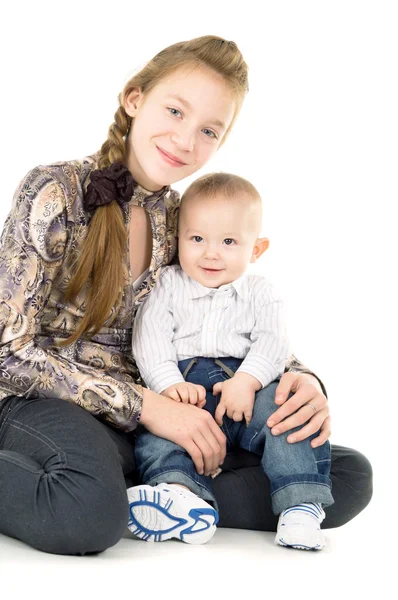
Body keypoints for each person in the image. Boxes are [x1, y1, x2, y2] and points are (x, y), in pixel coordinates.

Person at [0, 35, 371, 556]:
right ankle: (111, 489)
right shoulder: (55, 190)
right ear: (135, 100)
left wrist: (301, 380)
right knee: (85, 514)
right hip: (50, 401)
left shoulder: (183, 216)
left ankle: (165, 493)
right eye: (174, 110)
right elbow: (7, 353)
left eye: (208, 131)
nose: (184, 139)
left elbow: (231, 309)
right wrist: (145, 406)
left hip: (164, 407)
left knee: (347, 474)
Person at [130, 172, 334, 550]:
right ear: (178, 240)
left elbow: (273, 342)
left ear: (255, 249)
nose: (211, 252)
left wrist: (248, 381)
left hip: (244, 390)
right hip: (186, 389)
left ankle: (301, 505)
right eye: (197, 239)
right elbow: (150, 338)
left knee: (287, 417)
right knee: (158, 435)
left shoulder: (260, 291)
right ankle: (180, 495)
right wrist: (168, 385)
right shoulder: (167, 284)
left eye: (228, 241)